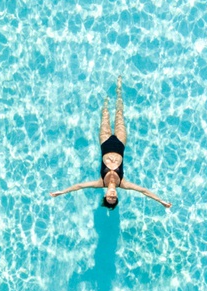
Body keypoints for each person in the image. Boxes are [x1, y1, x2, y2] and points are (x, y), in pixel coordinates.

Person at [50, 78, 171, 209]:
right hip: (120, 142)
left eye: (109, 197)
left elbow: (79, 186)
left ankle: (105, 93)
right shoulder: (123, 183)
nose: (112, 195)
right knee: (119, 114)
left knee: (105, 114)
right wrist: (161, 201)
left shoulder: (100, 182)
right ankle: (119, 89)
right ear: (117, 196)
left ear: (106, 195)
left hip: (105, 142)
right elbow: (143, 191)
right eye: (114, 198)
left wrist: (61, 192)